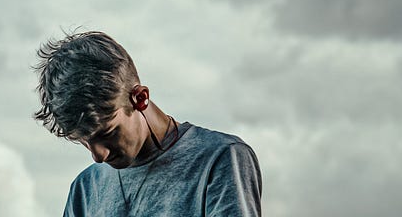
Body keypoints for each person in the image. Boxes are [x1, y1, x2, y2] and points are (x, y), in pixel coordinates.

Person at [33, 31, 261, 216]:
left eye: (108, 133)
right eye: (84, 141)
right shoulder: (85, 189)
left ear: (140, 98)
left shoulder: (218, 160)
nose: (98, 156)